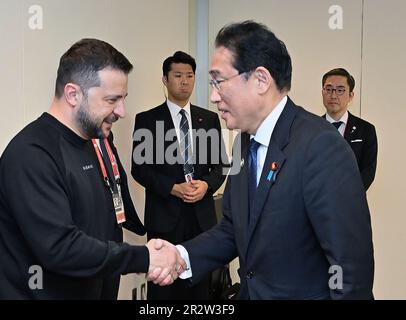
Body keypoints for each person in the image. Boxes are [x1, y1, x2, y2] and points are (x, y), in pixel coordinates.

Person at [149, 21, 375, 299]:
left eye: (219, 81)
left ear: (260, 80)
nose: (212, 96)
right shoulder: (245, 142)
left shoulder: (322, 147)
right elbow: (234, 229)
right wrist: (180, 256)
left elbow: (350, 272)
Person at [0, 38, 185, 300]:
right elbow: (60, 247)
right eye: (112, 100)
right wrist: (144, 257)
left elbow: (100, 230)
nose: (121, 111)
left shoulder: (93, 144)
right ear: (72, 94)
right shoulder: (31, 154)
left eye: (123, 99)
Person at [131, 51, 227, 299]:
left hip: (201, 218)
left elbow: (221, 166)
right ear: (165, 79)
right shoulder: (147, 120)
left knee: (199, 288)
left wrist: (206, 185)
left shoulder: (209, 119)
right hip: (164, 216)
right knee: (163, 287)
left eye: (190, 75)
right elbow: (139, 169)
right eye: (178, 75)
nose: (185, 81)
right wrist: (172, 187)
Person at [321, 68, 378, 190]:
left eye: (340, 90)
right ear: (322, 92)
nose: (333, 95)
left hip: (352, 202)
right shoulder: (310, 128)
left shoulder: (366, 130)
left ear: (351, 95)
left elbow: (368, 171)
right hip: (316, 203)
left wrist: (348, 196)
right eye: (329, 89)